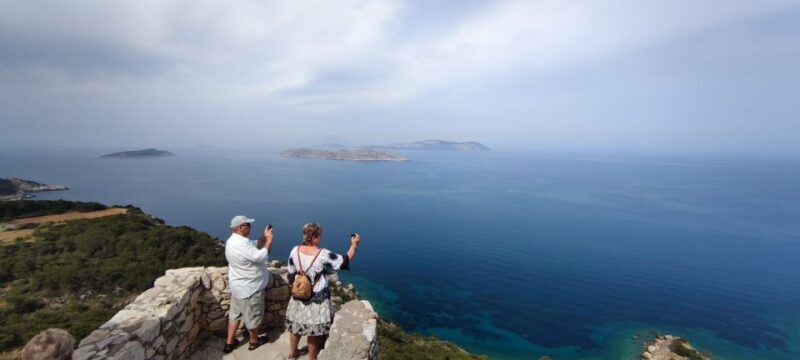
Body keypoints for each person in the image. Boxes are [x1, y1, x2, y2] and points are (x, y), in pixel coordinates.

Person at [285, 223, 360, 360]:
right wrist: (354, 245)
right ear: (314, 237)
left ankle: (293, 353)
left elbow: (290, 272)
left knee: (296, 326)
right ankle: (312, 358)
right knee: (313, 331)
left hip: (299, 295)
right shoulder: (322, 254)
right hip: (317, 298)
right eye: (319, 236)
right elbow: (342, 262)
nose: (320, 238)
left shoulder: (294, 250)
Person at [223, 215, 274, 353]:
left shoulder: (232, 241)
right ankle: (253, 342)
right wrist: (269, 241)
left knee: (235, 315)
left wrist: (263, 237)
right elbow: (262, 256)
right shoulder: (241, 244)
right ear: (241, 227)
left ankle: (229, 343)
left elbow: (253, 244)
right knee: (253, 317)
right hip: (250, 288)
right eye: (248, 225)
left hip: (237, 287)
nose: (250, 227)